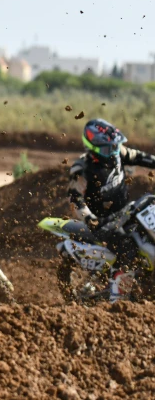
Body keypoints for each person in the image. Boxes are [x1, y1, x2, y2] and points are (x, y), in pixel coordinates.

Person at [68, 118, 155, 300]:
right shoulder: (83, 168)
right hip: (102, 221)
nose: (115, 151)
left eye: (116, 146)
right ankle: (117, 298)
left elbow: (143, 158)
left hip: (125, 211)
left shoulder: (118, 152)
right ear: (93, 148)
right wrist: (90, 219)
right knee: (127, 247)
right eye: (110, 148)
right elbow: (76, 199)